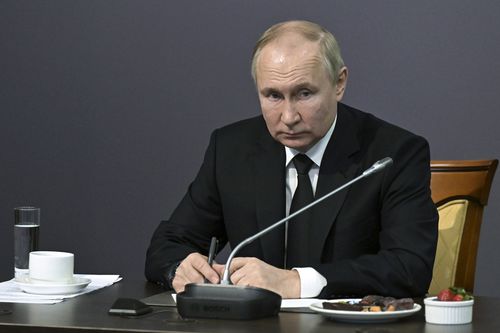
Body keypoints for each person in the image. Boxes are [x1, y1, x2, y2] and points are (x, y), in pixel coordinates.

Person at [145, 20, 438, 299]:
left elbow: (409, 267)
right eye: (273, 96)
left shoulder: (393, 153)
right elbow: (167, 245)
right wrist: (179, 269)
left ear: (339, 83)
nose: (288, 117)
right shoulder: (232, 149)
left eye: (304, 93)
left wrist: (297, 282)